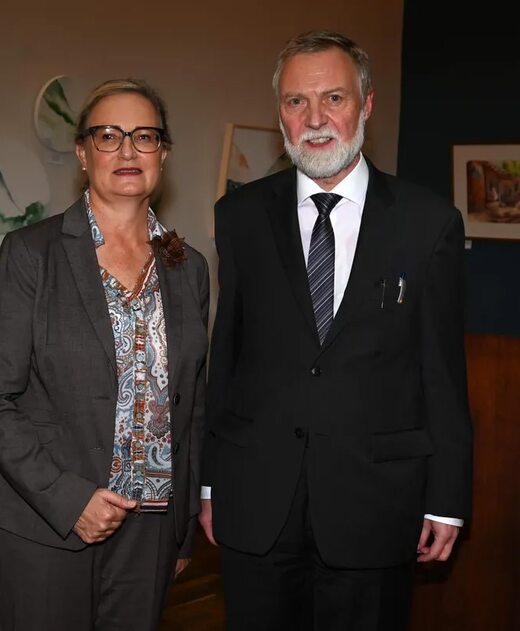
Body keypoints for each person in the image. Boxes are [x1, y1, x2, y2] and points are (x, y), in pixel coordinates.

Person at [199, 31, 472, 631]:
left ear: (367, 104)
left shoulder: (429, 224)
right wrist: (211, 480)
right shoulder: (238, 217)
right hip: (256, 497)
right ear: (280, 115)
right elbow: (228, 358)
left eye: (334, 99)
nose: (315, 119)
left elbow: (443, 375)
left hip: (374, 503)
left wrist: (447, 501)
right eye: (297, 102)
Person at [0, 78, 210, 631]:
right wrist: (71, 499)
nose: (127, 150)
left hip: (150, 528)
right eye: (109, 135)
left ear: (163, 153)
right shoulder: (32, 253)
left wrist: (182, 526)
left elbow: (192, 404)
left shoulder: (188, 266)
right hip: (46, 520)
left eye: (144, 136)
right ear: (82, 152)